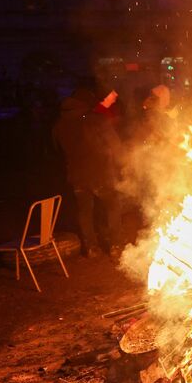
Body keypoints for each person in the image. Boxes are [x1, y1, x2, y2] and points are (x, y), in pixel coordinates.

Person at [52, 79, 124, 257]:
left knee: (85, 212)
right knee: (112, 207)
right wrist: (123, 162)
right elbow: (116, 146)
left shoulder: (58, 125)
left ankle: (91, 247)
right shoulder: (96, 120)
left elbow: (56, 152)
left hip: (77, 176)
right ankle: (115, 245)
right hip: (101, 173)